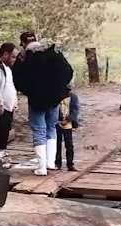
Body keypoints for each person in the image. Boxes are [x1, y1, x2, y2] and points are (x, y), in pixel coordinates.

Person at [12, 31, 73, 176]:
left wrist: (28, 91)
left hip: (37, 100)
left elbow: (17, 79)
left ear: (24, 43)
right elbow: (69, 71)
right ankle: (50, 163)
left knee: (39, 129)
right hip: (54, 99)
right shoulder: (53, 53)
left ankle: (41, 167)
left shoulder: (25, 57)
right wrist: (58, 89)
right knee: (51, 127)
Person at [55, 87, 80, 171]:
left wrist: (68, 119)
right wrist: (60, 119)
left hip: (68, 124)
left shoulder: (73, 97)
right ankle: (57, 163)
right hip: (58, 123)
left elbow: (75, 110)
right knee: (57, 144)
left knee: (69, 145)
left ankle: (70, 164)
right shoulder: (56, 96)